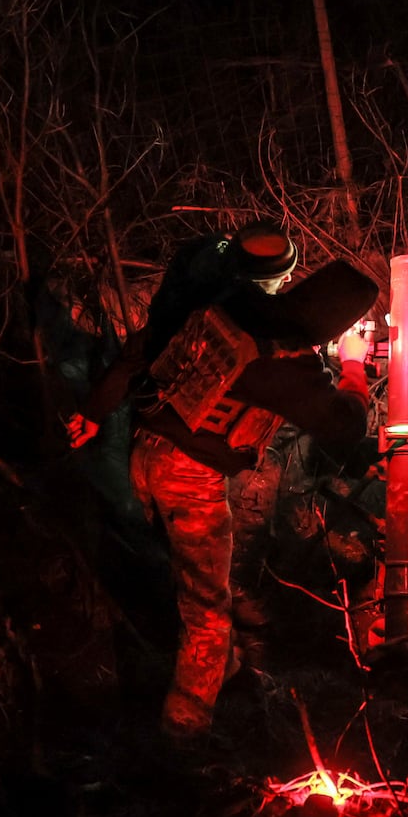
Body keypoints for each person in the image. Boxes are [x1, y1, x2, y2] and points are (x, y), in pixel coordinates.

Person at [65, 222, 375, 744]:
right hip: (190, 476)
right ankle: (184, 735)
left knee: (196, 576)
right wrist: (352, 369)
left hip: (146, 455)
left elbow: (137, 352)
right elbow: (345, 427)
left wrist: (94, 412)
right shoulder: (286, 362)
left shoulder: (217, 304)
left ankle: (227, 674)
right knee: (205, 611)